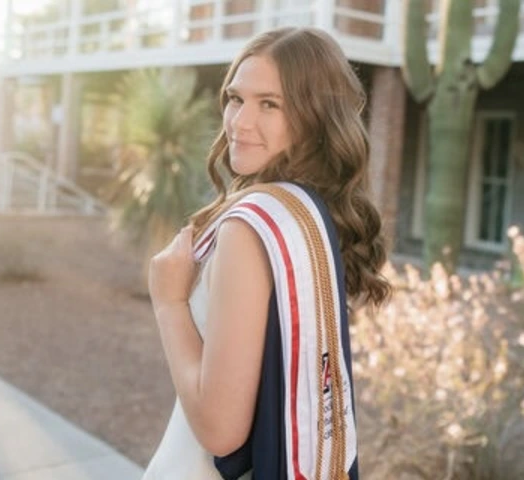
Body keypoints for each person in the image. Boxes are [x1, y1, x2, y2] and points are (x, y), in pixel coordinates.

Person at [142, 26, 391, 480]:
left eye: (270, 104)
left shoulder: (250, 227)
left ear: (316, 119)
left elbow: (221, 430)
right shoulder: (309, 213)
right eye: (236, 99)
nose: (239, 122)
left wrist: (168, 302)